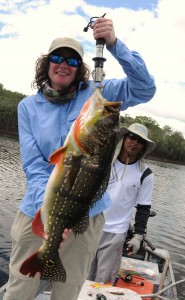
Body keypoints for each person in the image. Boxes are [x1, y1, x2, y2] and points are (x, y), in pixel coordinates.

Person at [3, 16, 156, 300]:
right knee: (20, 285)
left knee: (70, 287)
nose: (64, 64)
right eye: (57, 57)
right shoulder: (28, 107)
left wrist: (114, 45)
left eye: (72, 61)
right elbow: (35, 166)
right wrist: (50, 218)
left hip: (88, 211)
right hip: (38, 206)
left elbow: (144, 88)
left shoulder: (97, 94)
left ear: (80, 68)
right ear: (46, 63)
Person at [88, 122, 156, 284]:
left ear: (143, 147)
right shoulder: (104, 162)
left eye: (140, 141)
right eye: (132, 137)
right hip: (90, 226)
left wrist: (138, 236)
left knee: (103, 281)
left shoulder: (145, 174)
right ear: (124, 138)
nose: (135, 142)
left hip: (116, 232)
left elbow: (143, 208)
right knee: (83, 276)